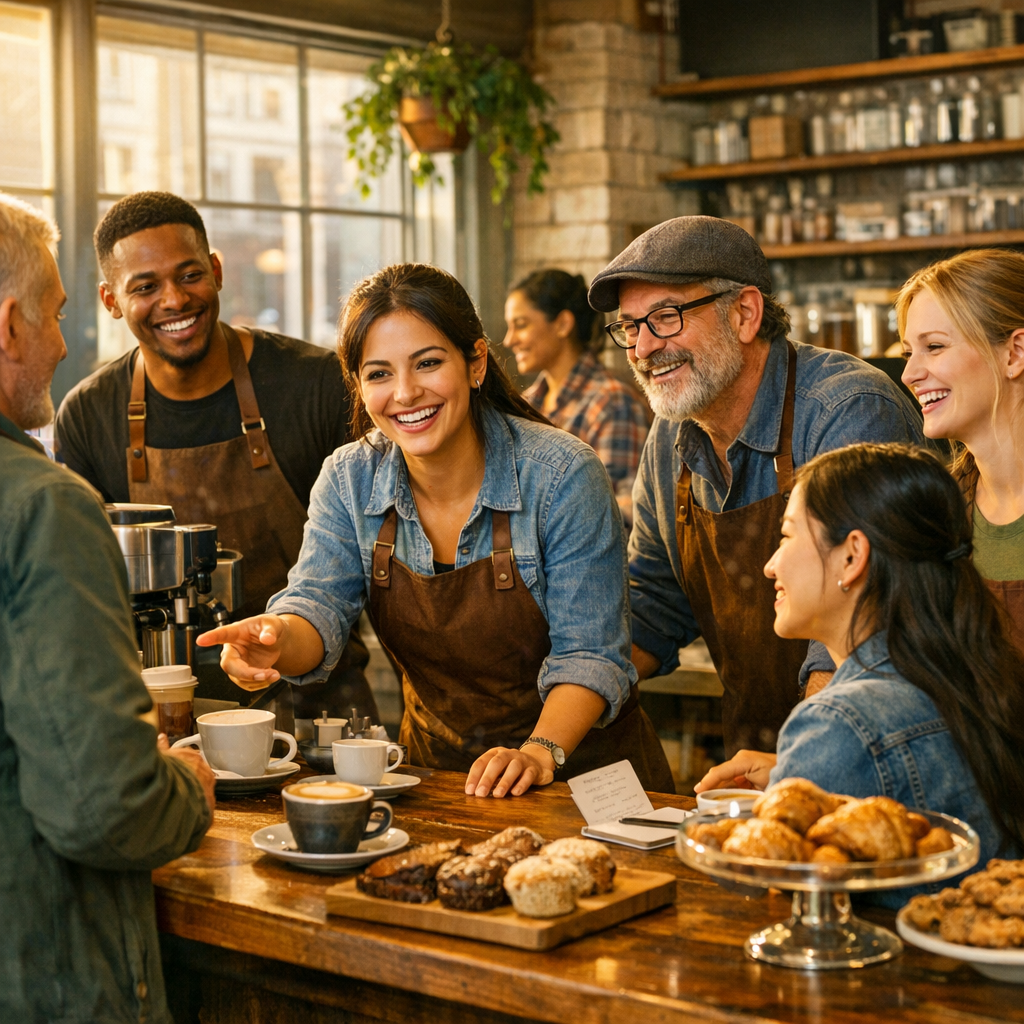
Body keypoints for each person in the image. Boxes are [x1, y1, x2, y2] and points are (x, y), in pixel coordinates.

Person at [198, 263, 674, 797]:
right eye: (378, 373)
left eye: (427, 363)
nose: (405, 393)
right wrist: (276, 640)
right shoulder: (349, 478)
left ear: (475, 363)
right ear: (357, 384)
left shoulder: (561, 474)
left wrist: (538, 752)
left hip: (585, 782)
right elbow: (317, 606)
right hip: (440, 783)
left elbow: (591, 653)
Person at [587, 216, 925, 757]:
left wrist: (798, 761)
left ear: (745, 313)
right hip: (758, 753)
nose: (643, 347)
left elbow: (866, 614)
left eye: (665, 318)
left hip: (877, 755)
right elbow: (655, 602)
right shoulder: (670, 438)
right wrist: (564, 703)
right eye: (630, 326)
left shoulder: (848, 412)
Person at [0, 194, 214, 1021]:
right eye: (54, 316)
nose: (62, 344)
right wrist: (186, 785)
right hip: (43, 968)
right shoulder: (43, 505)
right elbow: (106, 810)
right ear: (9, 323)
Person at [55, 192, 376, 726]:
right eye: (145, 286)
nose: (174, 300)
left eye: (188, 275)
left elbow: (374, 558)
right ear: (111, 300)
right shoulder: (89, 414)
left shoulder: (316, 384)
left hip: (320, 713)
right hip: (162, 719)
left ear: (217, 271)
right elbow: (86, 595)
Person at [694, 444, 1024, 902]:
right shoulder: (979, 672)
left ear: (851, 557)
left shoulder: (837, 724)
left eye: (787, 536)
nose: (771, 565)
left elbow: (797, 908)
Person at [898, 248, 1024, 650]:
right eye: (907, 352)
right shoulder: (938, 513)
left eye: (934, 347)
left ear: (1015, 353)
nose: (909, 374)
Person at [503, 269, 649, 524]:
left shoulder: (612, 401)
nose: (509, 340)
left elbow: (627, 512)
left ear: (562, 324)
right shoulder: (526, 404)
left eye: (521, 325)